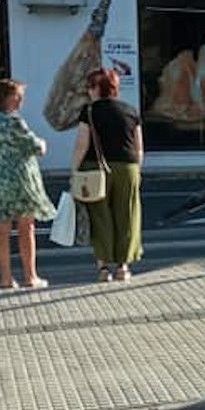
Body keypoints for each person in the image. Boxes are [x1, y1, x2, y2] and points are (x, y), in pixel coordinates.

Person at [0, 79, 56, 289]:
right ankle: (30, 276)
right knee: (26, 227)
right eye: (18, 96)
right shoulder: (14, 122)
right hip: (20, 180)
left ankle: (5, 278)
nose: (21, 100)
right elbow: (36, 147)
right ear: (8, 98)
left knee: (2, 228)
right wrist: (42, 143)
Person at [72, 68, 143, 282]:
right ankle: (123, 266)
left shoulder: (90, 111)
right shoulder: (131, 111)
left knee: (99, 216)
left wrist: (74, 170)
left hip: (95, 168)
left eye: (90, 87)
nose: (89, 91)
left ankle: (103, 268)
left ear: (96, 89)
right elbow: (139, 147)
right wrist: (137, 171)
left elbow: (82, 144)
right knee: (127, 215)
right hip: (127, 167)